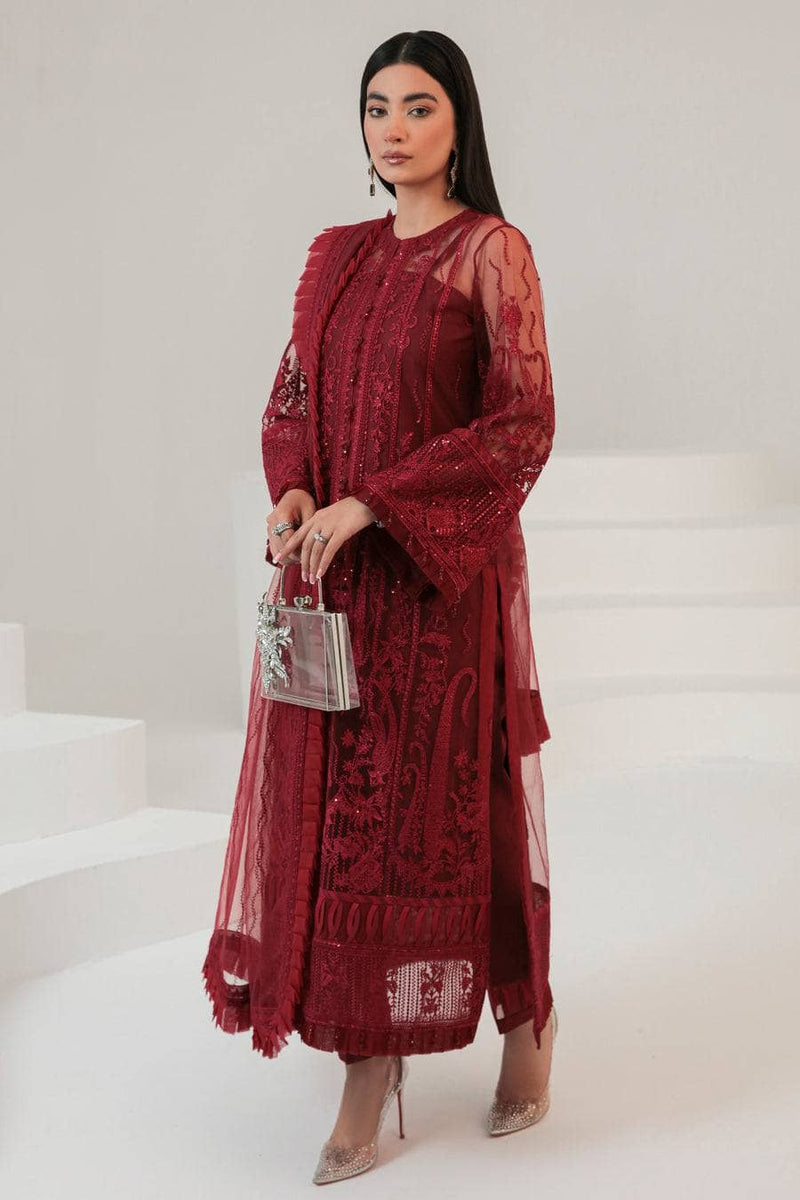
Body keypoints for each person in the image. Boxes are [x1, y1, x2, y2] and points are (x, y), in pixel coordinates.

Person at [202, 29, 559, 1185]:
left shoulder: (488, 251)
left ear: (458, 122)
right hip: (334, 590)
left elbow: (520, 421)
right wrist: (297, 491)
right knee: (338, 820)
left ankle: (520, 1020)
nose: (392, 129)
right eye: (375, 107)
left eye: (417, 106)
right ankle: (369, 1047)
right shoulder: (340, 258)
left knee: (435, 819)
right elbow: (292, 400)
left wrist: (377, 503)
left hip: (433, 588)